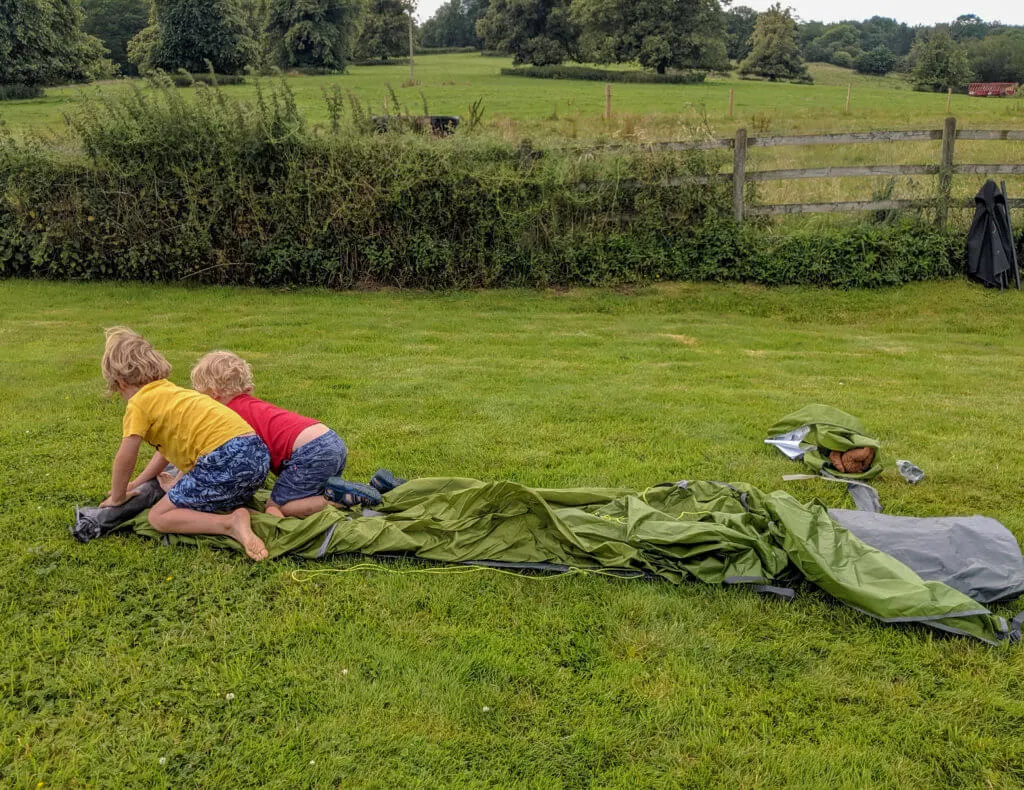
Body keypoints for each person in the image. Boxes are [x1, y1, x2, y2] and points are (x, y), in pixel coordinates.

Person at [100, 328, 271, 561]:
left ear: (120, 383)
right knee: (199, 492)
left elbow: (126, 455)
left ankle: (230, 523)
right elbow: (168, 452)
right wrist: (137, 483)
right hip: (257, 456)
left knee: (159, 517)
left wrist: (118, 496)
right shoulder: (173, 392)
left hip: (225, 460)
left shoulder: (139, 404)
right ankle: (234, 510)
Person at [190, 350, 363, 519]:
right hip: (330, 438)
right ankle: (364, 489)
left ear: (213, 395)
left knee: (278, 507)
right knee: (309, 491)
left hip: (309, 451)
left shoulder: (228, 415)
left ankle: (338, 500)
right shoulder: (252, 404)